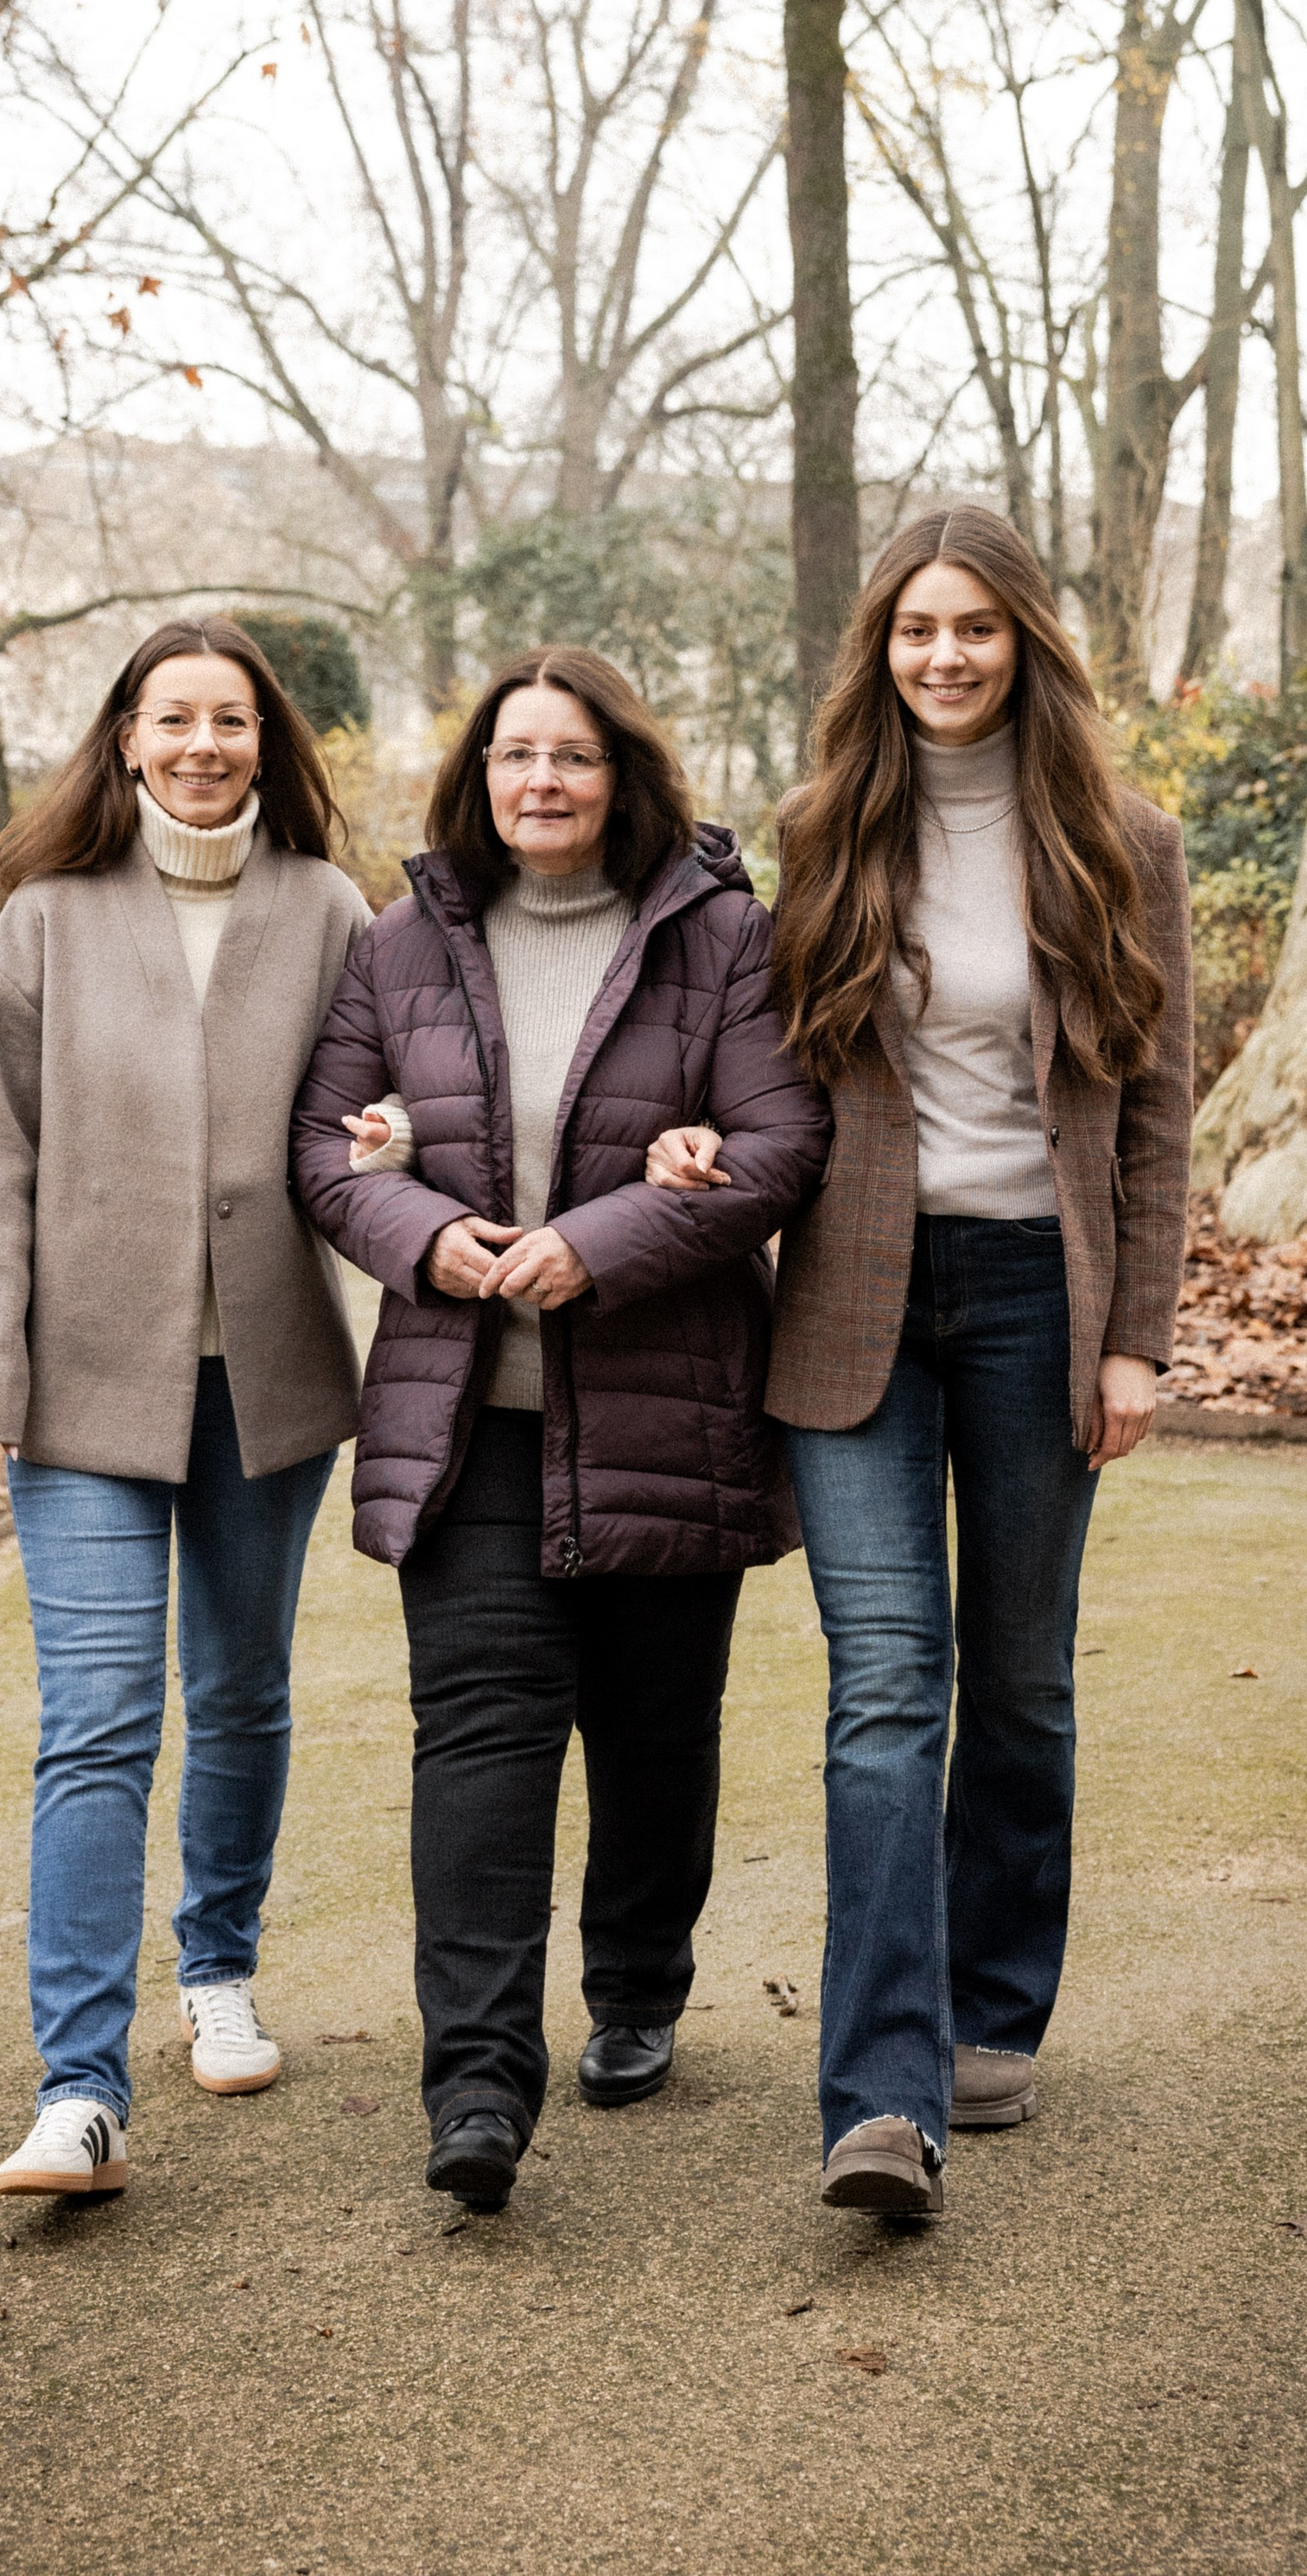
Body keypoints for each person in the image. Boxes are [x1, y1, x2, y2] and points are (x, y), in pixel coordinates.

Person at [655, 506, 1192, 2221]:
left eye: (974, 627)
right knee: (887, 1690)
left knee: (1017, 1683)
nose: (943, 656)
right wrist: (695, 1143)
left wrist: (1136, 1339)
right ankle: (880, 2096)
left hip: (1044, 1296)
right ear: (878, 650)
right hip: (856, 1301)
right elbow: (757, 1060)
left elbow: (1156, 1111)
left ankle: (990, 2012)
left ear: (1024, 642)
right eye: (915, 629)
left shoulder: (1123, 841)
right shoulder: (821, 830)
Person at [291, 649, 830, 2214]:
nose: (543, 780)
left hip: (669, 1408)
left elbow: (781, 1139)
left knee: (656, 1736)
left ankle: (639, 1986)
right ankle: (475, 2083)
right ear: (480, 777)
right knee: (478, 1742)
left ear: (622, 775)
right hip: (467, 1423)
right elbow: (325, 1145)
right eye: (517, 754)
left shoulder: (721, 938)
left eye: (574, 756)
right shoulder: (400, 943)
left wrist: (598, 1244)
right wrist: (423, 1237)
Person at [0, 616, 371, 2200]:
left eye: (230, 721)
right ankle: (79, 2088)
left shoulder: (327, 909)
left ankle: (220, 1968)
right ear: (125, 738)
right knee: (100, 1721)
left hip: (268, 1383)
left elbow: (383, 1101)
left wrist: (388, 1143)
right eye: (173, 718)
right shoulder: (46, 920)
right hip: (81, 1393)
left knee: (242, 1692)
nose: (202, 745)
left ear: (266, 741)